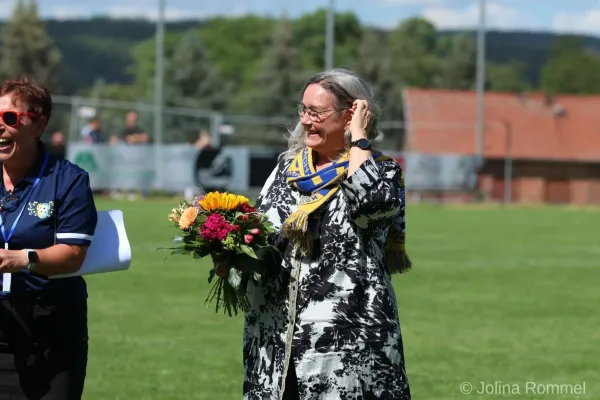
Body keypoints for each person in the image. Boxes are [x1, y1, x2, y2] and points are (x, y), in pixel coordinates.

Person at [215, 68, 412, 399]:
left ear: (352, 114)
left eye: (316, 112)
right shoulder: (286, 169)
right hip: (274, 344)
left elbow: (369, 205)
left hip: (345, 347)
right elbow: (263, 235)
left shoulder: (384, 173)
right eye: (303, 110)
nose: (306, 121)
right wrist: (231, 256)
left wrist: (359, 139)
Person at [0, 76, 97, 399]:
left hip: (51, 330)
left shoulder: (68, 180)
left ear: (38, 125)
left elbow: (73, 254)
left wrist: (22, 259)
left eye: (10, 118)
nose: (0, 127)